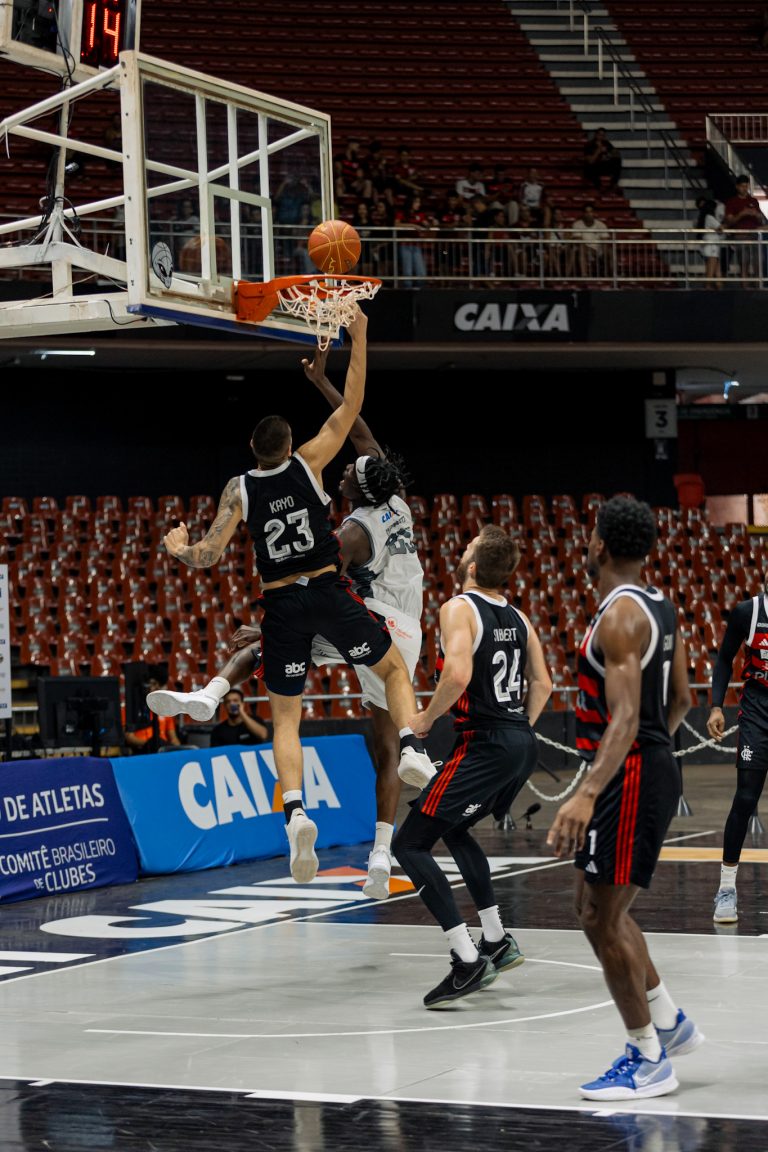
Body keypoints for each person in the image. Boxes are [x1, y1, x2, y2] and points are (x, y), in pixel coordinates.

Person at [146, 309, 437, 886]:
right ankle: (412, 751)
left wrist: (179, 547)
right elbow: (354, 414)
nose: (347, 472)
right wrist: (358, 338)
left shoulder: (242, 489)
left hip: (285, 604)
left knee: (284, 715)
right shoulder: (326, 471)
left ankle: (294, 810)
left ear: (253, 449)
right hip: (345, 600)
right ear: (289, 445)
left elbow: (208, 555)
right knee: (393, 683)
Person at [546, 495, 701, 1101]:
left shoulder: (619, 617)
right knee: (592, 904)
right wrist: (649, 754)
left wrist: (589, 790)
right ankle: (667, 1020)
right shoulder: (661, 605)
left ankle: (647, 1058)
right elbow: (682, 699)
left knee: (600, 916)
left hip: (629, 771)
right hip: (640, 766)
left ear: (600, 545)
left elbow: (629, 716)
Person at [392, 525, 552, 1009]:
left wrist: (425, 718)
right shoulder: (519, 617)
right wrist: (517, 729)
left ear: (474, 567)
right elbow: (543, 684)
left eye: (467, 549)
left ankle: (467, 959)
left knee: (409, 843)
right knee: (455, 829)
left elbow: (458, 674)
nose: (461, 551)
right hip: (520, 742)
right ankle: (496, 939)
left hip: (484, 744)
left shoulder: (458, 608)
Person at [706, 568, 768, 924]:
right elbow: (724, 658)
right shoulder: (748, 612)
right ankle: (726, 888)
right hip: (758, 710)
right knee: (746, 797)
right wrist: (716, 705)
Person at [124, 667, 181, 754]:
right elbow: (129, 737)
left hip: (163, 750)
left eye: (158, 685)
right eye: (153, 684)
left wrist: (179, 750)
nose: (156, 688)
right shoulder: (130, 709)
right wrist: (149, 744)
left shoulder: (165, 708)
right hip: (143, 751)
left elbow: (173, 738)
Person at [724, 175, 764, 281]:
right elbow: (730, 221)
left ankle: (758, 285)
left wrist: (757, 215)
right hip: (741, 236)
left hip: (755, 235)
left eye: (746, 186)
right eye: (742, 186)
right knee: (744, 263)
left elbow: (760, 220)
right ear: (737, 187)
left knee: (758, 262)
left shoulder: (753, 201)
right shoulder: (732, 202)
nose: (745, 189)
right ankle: (745, 286)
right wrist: (742, 214)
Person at [696, 197, 723, 288]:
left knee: (716, 266)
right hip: (712, 246)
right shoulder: (709, 217)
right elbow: (720, 228)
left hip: (710, 245)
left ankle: (719, 284)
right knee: (711, 268)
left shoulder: (704, 217)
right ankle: (708, 285)